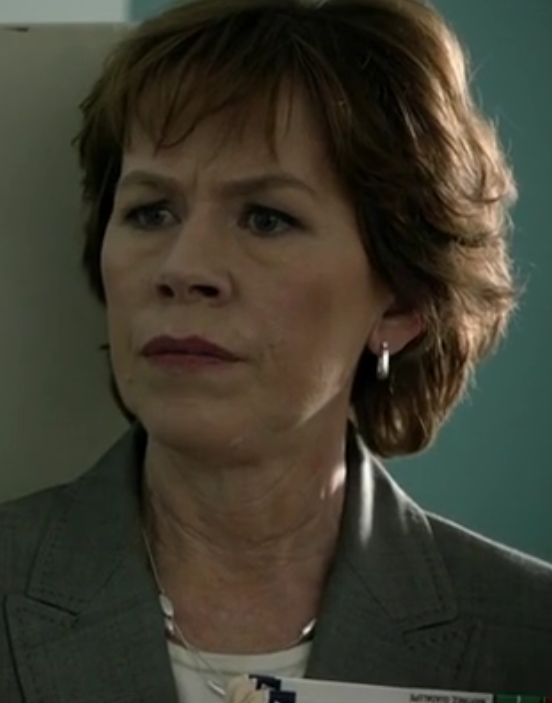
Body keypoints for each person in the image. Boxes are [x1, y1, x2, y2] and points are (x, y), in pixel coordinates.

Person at [1, 0, 552, 701]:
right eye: (151, 211)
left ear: (402, 302)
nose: (182, 267)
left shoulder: (529, 637)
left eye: (266, 218)